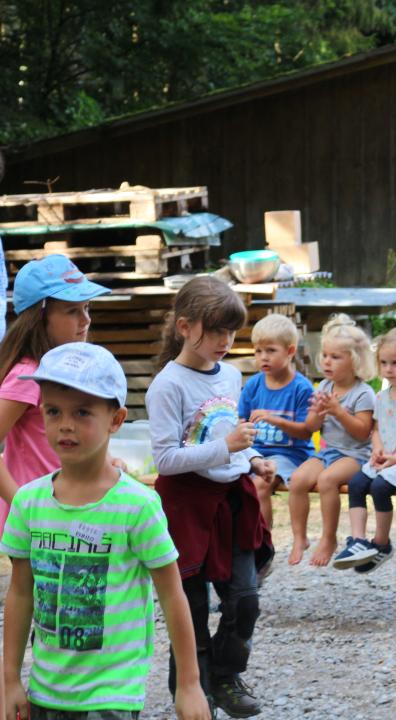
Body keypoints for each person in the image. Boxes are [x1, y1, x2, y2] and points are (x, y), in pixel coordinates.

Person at [1, 341, 209, 720]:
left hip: (112, 696)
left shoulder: (137, 506)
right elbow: (20, 592)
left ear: (116, 419)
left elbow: (172, 594)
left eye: (82, 412)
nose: (65, 424)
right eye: (53, 411)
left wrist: (189, 683)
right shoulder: (28, 502)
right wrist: (11, 679)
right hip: (45, 692)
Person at [145, 275, 274, 719]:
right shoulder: (168, 385)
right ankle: (193, 696)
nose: (225, 341)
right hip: (186, 508)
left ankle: (223, 676)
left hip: (231, 504)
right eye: (216, 330)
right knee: (192, 609)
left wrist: (253, 458)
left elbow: (225, 433)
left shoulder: (232, 375)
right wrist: (228, 447)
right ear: (184, 327)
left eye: (231, 331)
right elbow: (166, 460)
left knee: (245, 600)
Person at [0, 254, 110, 535]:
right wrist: (22, 505)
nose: (85, 320)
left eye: (87, 308)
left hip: (69, 516)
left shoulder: (67, 372)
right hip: (34, 527)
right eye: (72, 311)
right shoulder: (29, 375)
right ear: (39, 317)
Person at [332, 326, 396, 574]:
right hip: (385, 458)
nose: (388, 369)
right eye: (384, 363)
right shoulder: (382, 396)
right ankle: (358, 541)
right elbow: (376, 429)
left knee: (379, 488)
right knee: (357, 484)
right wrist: (377, 449)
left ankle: (381, 543)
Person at [287, 314, 375, 567]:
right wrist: (317, 413)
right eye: (325, 355)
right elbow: (311, 427)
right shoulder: (324, 387)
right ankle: (300, 537)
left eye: (335, 357)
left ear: (355, 361)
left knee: (327, 481)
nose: (327, 361)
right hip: (328, 452)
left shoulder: (363, 393)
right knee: (297, 480)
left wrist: (338, 412)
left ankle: (329, 538)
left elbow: (363, 432)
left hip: (356, 455)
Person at [239, 313, 319, 529]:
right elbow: (241, 420)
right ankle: (241, 539)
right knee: (228, 481)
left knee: (260, 484)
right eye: (258, 351)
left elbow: (305, 432)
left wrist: (273, 419)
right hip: (256, 453)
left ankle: (263, 543)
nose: (263, 357)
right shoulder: (253, 385)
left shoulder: (302, 388)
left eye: (271, 350)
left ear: (290, 351)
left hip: (290, 455)